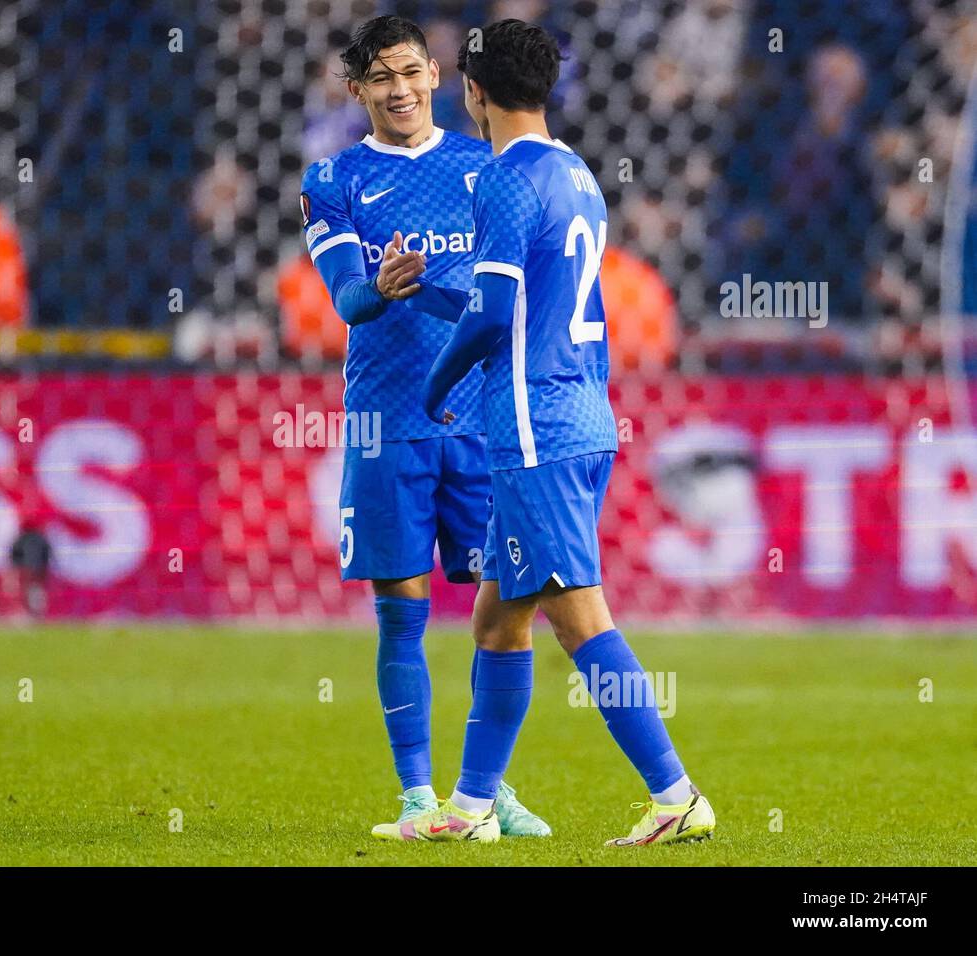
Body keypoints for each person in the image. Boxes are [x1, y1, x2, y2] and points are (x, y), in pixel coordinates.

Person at [376, 19, 714, 846]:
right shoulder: (578, 176)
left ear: (472, 91)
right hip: (579, 416)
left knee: (581, 620)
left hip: (536, 430)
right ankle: (470, 808)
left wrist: (432, 384)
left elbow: (494, 317)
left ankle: (676, 795)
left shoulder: (501, 180)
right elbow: (525, 310)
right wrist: (421, 297)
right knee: (497, 620)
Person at [299, 15, 549, 837]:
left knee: (506, 609)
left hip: (481, 424)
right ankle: (417, 794)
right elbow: (347, 299)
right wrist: (383, 283)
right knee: (401, 608)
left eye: (410, 73)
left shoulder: (488, 167)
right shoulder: (332, 179)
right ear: (357, 89)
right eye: (380, 79)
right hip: (388, 422)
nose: (399, 90)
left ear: (437, 75)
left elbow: (504, 297)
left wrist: (436, 292)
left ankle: (488, 790)